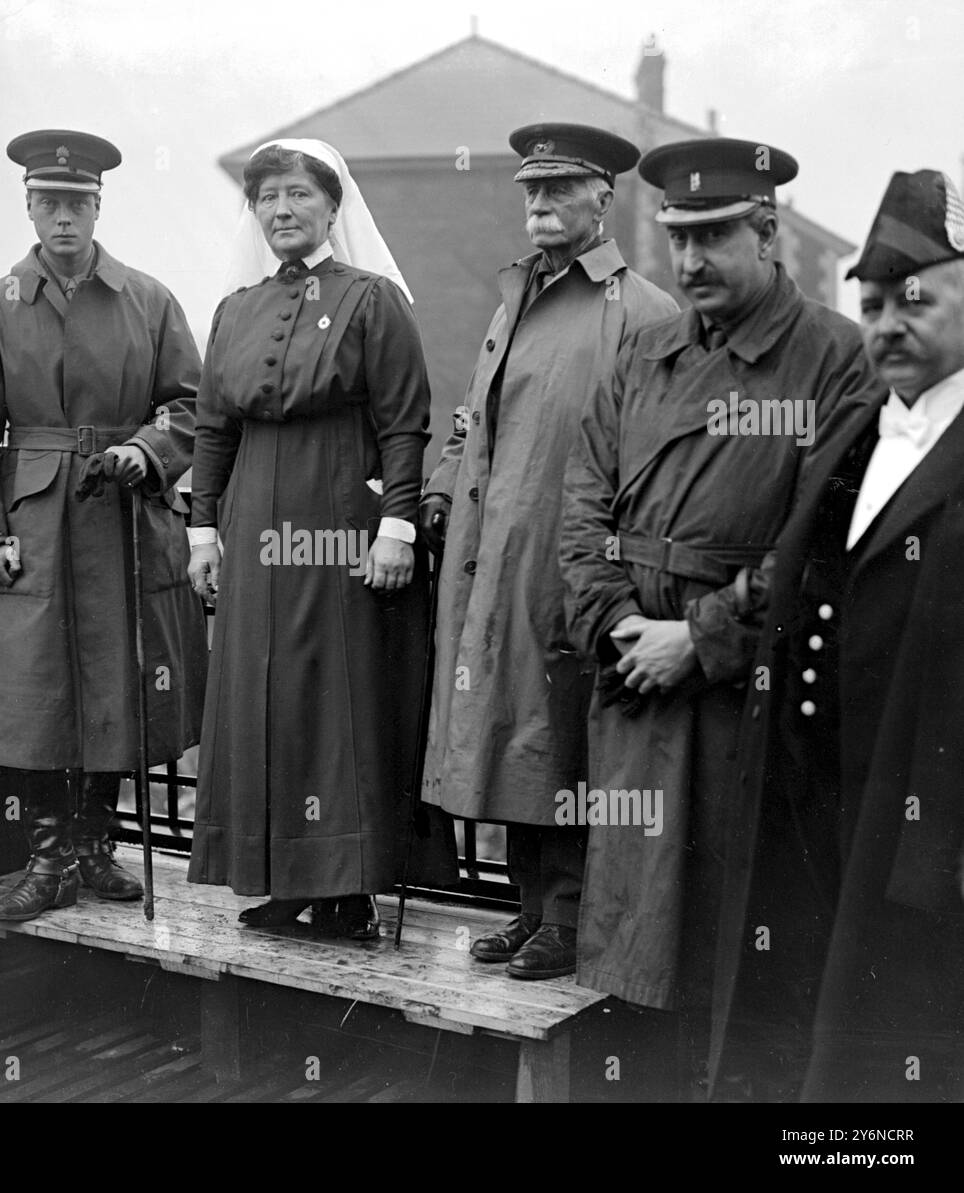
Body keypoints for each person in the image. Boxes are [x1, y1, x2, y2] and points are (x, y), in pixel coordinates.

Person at [558, 138, 877, 1089]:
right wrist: (621, 627)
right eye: (676, 238)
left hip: (747, 698)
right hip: (634, 685)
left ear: (769, 233)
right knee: (635, 947)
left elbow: (832, 540)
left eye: (712, 237)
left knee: (744, 947)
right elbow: (582, 506)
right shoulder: (643, 355)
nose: (688, 262)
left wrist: (697, 640)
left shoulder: (831, 358)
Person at [711, 170, 964, 1103]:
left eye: (916, 299)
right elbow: (791, 575)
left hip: (916, 827)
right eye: (871, 304)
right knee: (799, 1044)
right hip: (809, 803)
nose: (889, 322)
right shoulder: (855, 427)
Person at [418, 123, 677, 980]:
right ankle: (530, 909)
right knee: (510, 732)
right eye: (531, 189)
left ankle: (567, 918)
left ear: (605, 198)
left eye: (561, 188)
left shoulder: (641, 311)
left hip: (572, 565)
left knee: (560, 732)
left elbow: (657, 454)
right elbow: (472, 421)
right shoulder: (513, 300)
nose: (540, 203)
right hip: (492, 555)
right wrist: (442, 495)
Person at [187, 138, 455, 941]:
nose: (281, 211)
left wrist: (398, 528)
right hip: (252, 524)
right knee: (261, 694)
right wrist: (204, 531)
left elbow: (405, 422)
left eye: (299, 195)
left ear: (333, 209)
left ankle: (347, 885)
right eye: (266, 197)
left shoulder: (374, 301)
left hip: (341, 521)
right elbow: (211, 430)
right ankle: (279, 876)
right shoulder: (235, 309)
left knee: (333, 697)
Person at [0, 129, 207, 922]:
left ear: (99, 207)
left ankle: (96, 842)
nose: (64, 217)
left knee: (117, 681)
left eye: (78, 203)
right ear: (29, 207)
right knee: (30, 689)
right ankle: (47, 856)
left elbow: (194, 407)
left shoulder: (148, 299)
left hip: (123, 513)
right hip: (32, 522)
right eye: (49, 202)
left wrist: (147, 448)